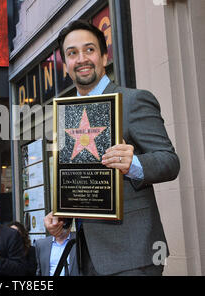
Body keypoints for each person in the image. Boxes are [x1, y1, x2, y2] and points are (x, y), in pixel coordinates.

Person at [43, 19, 180, 276]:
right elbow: (82, 182)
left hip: (132, 254)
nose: (81, 58)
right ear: (66, 66)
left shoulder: (133, 100)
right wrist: (62, 216)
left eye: (90, 50)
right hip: (85, 257)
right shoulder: (67, 115)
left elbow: (170, 162)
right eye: (72, 53)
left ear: (104, 56)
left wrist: (134, 164)